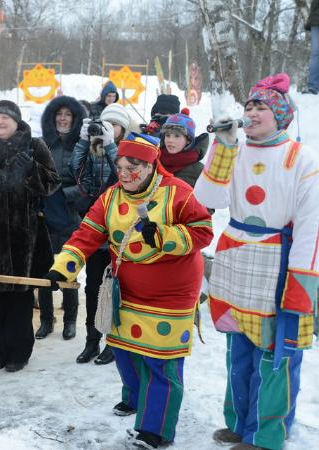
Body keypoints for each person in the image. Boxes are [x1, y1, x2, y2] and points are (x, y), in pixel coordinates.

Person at [46, 139, 213, 449]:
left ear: (150, 167)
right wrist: (64, 267)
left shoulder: (177, 192)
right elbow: (88, 232)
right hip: (128, 288)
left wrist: (164, 235)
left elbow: (203, 230)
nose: (124, 174)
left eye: (131, 168)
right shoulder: (111, 197)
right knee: (125, 351)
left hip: (171, 293)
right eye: (120, 168)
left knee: (159, 361)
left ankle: (156, 429)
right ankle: (137, 398)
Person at [194, 73, 318, 450]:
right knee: (238, 348)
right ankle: (239, 423)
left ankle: (265, 435)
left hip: (279, 263)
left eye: (261, 106)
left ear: (281, 115)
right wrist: (224, 145)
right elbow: (208, 198)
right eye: (249, 105)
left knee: (275, 355)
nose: (252, 111)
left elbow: (313, 227)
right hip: (236, 258)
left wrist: (302, 285)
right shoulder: (235, 150)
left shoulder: (303, 158)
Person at [0, 100, 61, 373]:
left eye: (5, 118)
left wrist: (31, 171)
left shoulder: (34, 146)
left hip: (24, 235)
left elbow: (52, 184)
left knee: (20, 297)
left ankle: (20, 352)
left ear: (16, 122)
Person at [68, 103, 129, 365]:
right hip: (97, 232)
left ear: (123, 129)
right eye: (106, 125)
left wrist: (111, 145)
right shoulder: (94, 151)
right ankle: (92, 340)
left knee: (117, 290)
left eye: (114, 126)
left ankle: (114, 343)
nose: (108, 130)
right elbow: (74, 170)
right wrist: (84, 141)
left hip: (122, 235)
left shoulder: (131, 150)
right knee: (92, 288)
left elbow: (125, 175)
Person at [36, 95, 87, 340]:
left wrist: (64, 195)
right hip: (45, 215)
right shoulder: (42, 143)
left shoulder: (83, 145)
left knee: (68, 268)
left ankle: (70, 320)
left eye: (68, 115)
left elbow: (88, 183)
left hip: (69, 214)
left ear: (75, 119)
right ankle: (46, 319)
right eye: (59, 114)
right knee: (43, 268)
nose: (63, 119)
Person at [158, 112, 209, 186]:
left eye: (177, 136)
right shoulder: (154, 161)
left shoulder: (200, 171)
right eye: (168, 135)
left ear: (188, 140)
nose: (170, 140)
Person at [304, 0, 319, 94]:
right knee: (316, 54)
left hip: (316, 22)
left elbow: (313, 7)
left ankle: (312, 86)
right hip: (316, 22)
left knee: (316, 54)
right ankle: (312, 86)